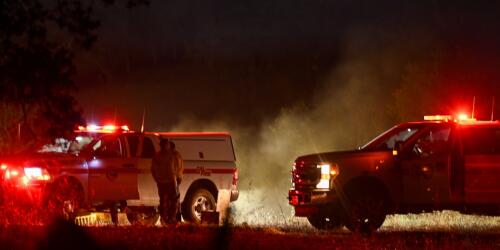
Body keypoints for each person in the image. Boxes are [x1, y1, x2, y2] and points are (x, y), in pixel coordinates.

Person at [151, 138, 177, 225]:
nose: (168, 146)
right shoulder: (170, 156)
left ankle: (165, 218)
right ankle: (169, 219)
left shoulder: (157, 156)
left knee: (164, 201)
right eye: (167, 144)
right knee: (172, 201)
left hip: (163, 181)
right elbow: (173, 169)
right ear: (165, 145)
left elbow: (153, 170)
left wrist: (157, 179)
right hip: (168, 181)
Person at [169, 141, 184, 222]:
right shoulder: (177, 155)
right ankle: (178, 216)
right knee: (176, 197)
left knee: (174, 198)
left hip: (174, 179)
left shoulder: (173, 156)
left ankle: (176, 216)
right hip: (177, 178)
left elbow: (174, 168)